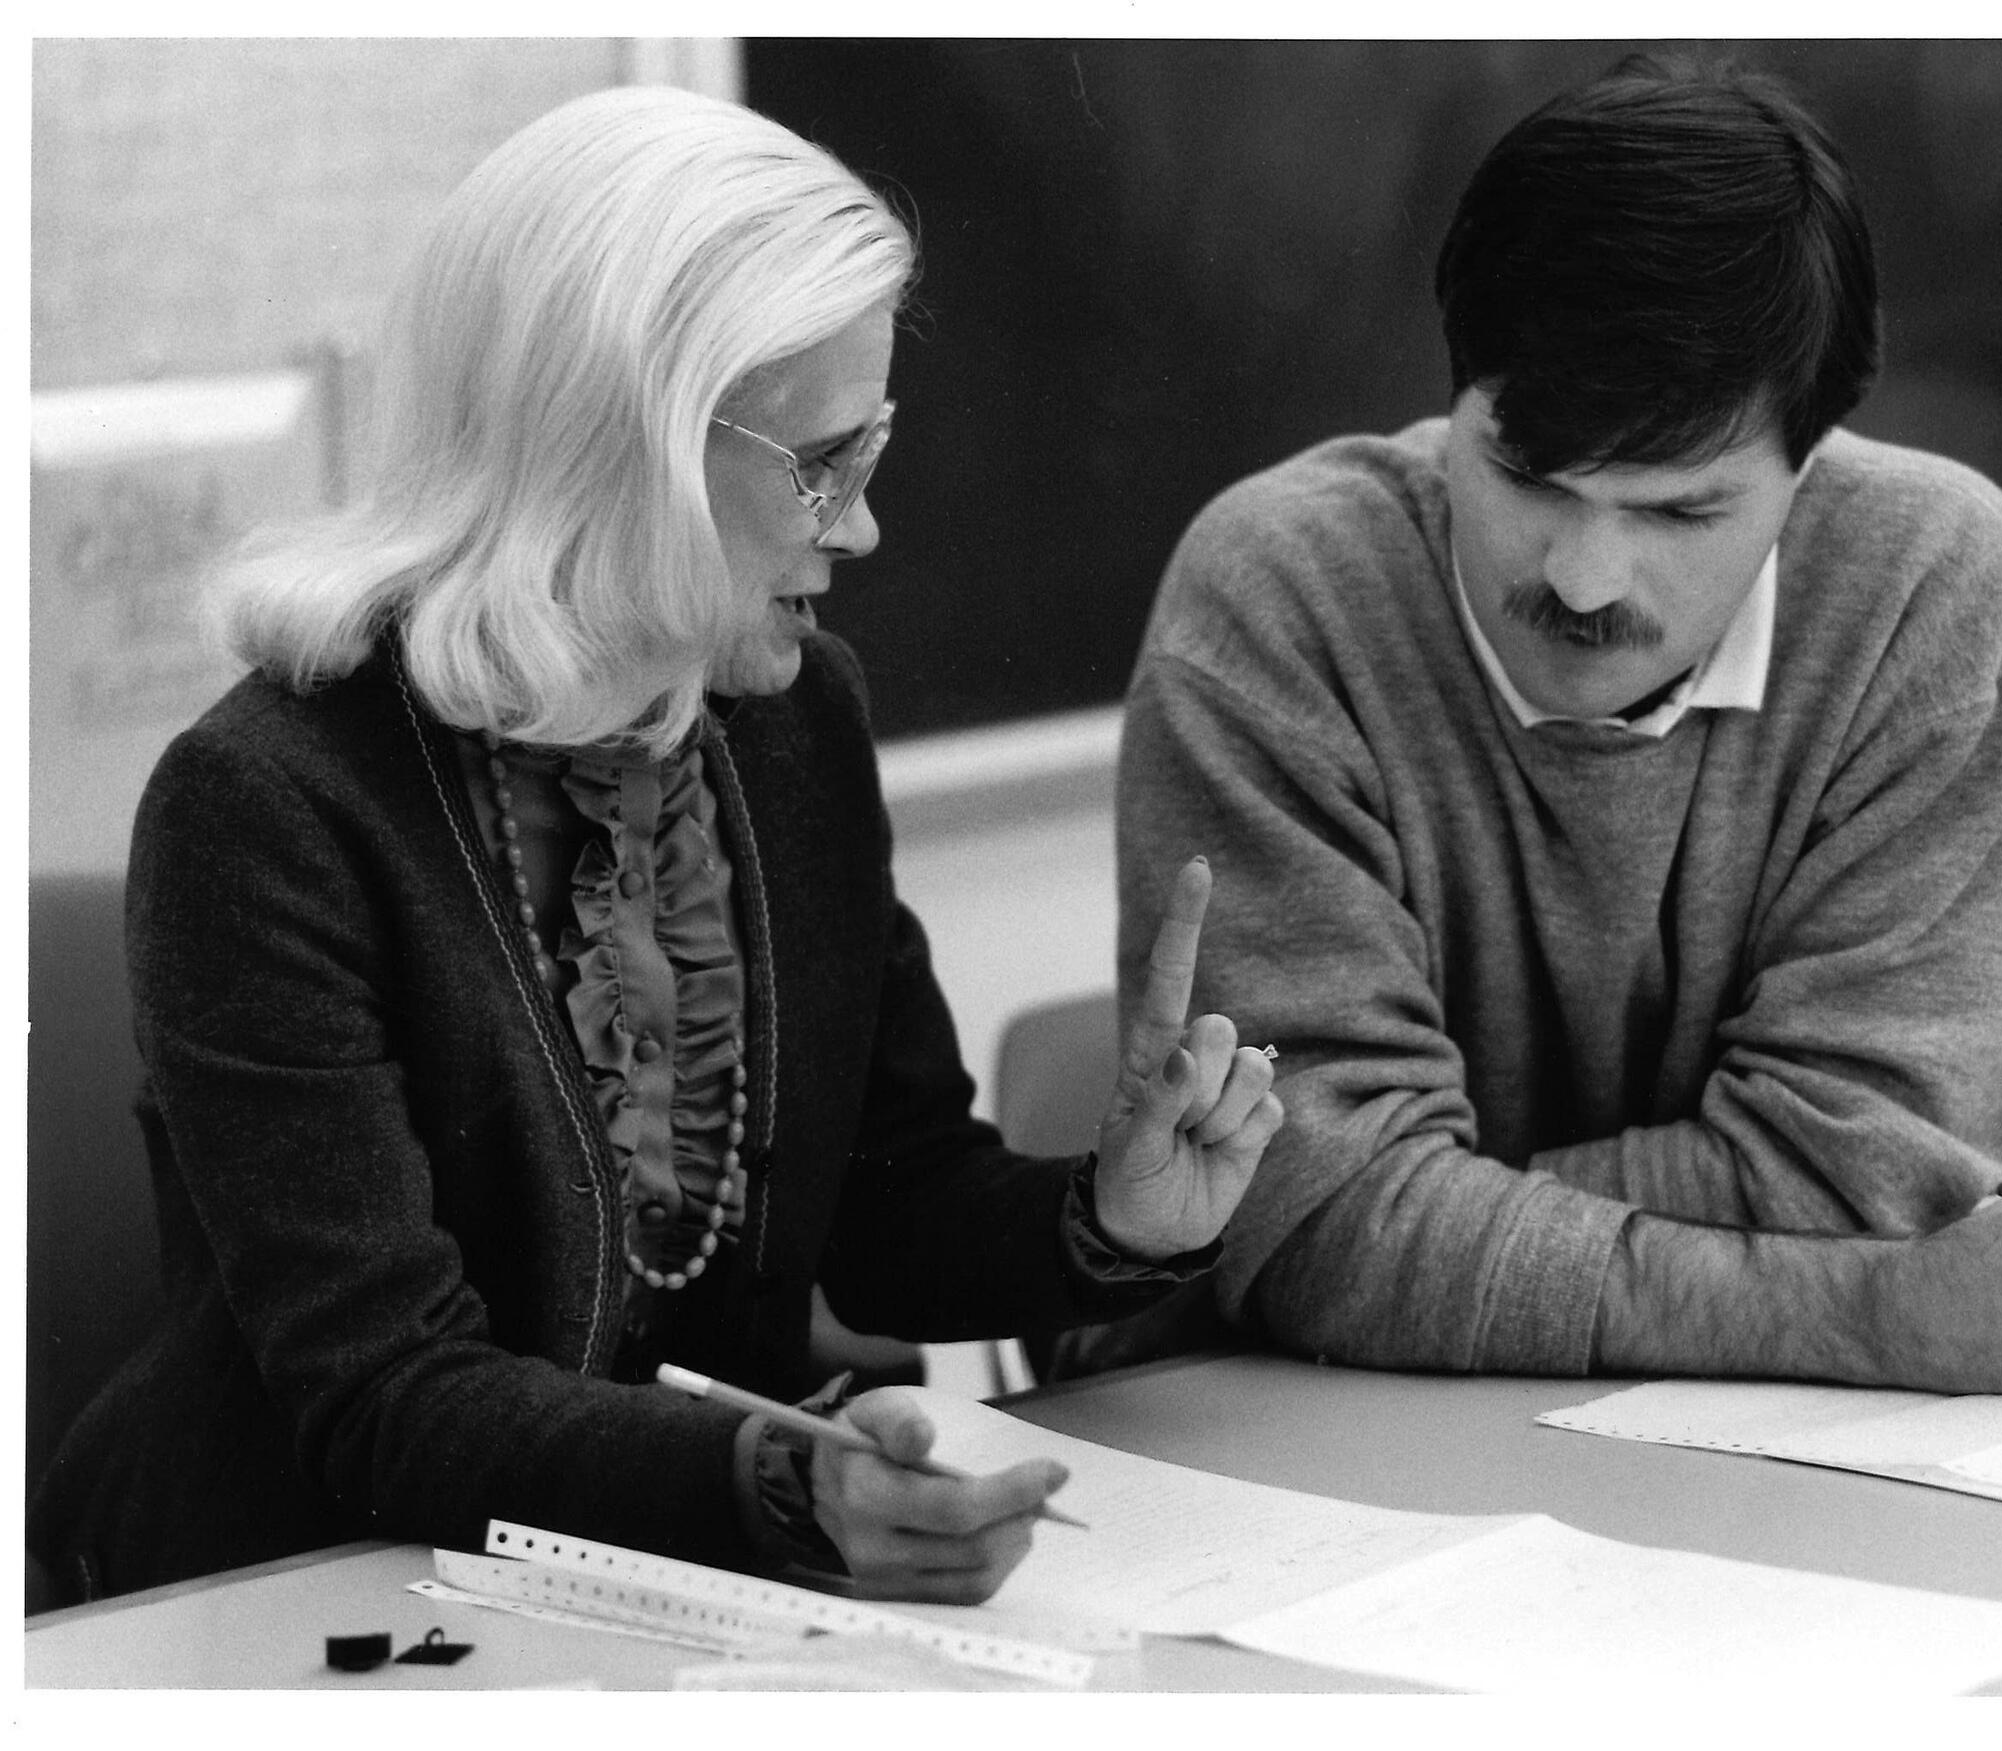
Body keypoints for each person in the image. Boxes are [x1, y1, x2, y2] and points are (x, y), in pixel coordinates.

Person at [29, 84, 1281, 1607]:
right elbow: (387, 1398)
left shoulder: (791, 718)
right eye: (822, 465)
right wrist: (774, 1490)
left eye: (869, 450)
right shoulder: (268, 807)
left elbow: (890, 1213)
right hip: (304, 1600)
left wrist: (1112, 1217)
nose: (863, 528)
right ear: (616, 446)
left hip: (684, 1587)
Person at [1110, 56, 2002, 1392]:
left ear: (1809, 466)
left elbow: (1863, 1173)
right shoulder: (1280, 597)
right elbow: (1324, 1228)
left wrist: (1408, 1223)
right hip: (1307, 1460)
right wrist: (1869, 1315)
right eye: (1524, 475)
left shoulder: (1930, 587)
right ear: (1452, 398)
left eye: (1681, 511)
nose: (1582, 578)